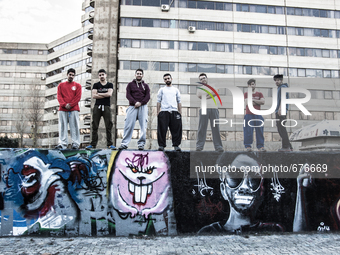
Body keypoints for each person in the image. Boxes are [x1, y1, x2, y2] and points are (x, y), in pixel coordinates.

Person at [198, 154, 284, 234]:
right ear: (223, 189)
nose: (245, 186)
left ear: (260, 191)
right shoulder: (208, 232)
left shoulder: (273, 230)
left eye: (253, 178)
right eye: (236, 176)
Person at [119, 69, 150, 150]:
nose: (139, 75)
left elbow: (148, 96)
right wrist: (134, 102)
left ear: (142, 75)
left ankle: (141, 144)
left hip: (143, 106)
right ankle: (124, 144)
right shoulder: (130, 85)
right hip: (132, 106)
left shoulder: (146, 86)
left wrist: (141, 103)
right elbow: (128, 95)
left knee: (143, 126)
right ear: (135, 75)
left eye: (140, 74)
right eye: (137, 73)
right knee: (128, 125)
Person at [86, 69, 116, 150]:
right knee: (95, 125)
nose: (101, 76)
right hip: (97, 107)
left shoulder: (110, 84)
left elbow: (109, 94)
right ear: (98, 76)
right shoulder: (96, 85)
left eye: (103, 74)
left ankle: (109, 144)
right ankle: (93, 144)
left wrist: (99, 93)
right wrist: (104, 95)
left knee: (108, 125)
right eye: (100, 75)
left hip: (106, 106)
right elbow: (94, 96)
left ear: (106, 75)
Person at [196, 73, 224, 152]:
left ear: (207, 78)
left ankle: (218, 147)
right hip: (204, 108)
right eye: (201, 79)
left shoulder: (213, 85)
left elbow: (216, 93)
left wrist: (206, 96)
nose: (203, 80)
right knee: (202, 128)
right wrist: (211, 94)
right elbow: (200, 96)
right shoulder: (199, 88)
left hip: (214, 109)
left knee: (216, 128)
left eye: (204, 78)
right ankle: (199, 146)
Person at [55, 68, 82, 150]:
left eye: (73, 75)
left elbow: (78, 97)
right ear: (67, 75)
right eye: (70, 74)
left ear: (74, 76)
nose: (71, 76)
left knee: (74, 127)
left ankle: (75, 144)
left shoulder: (78, 86)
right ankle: (62, 144)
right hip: (63, 109)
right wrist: (64, 104)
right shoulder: (61, 85)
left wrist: (71, 105)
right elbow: (59, 96)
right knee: (62, 127)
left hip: (73, 109)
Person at [157, 73, 182, 151]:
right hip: (164, 111)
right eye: (165, 79)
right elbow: (158, 101)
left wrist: (180, 112)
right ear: (164, 81)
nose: (167, 80)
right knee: (162, 129)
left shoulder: (176, 90)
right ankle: (161, 145)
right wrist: (158, 112)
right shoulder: (162, 90)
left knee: (176, 129)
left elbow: (179, 101)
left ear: (171, 79)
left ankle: (176, 145)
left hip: (174, 111)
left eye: (168, 78)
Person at [243, 79, 266, 152]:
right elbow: (247, 103)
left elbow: (263, 102)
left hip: (258, 115)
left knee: (259, 131)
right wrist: (258, 102)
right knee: (248, 131)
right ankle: (248, 146)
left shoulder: (259, 94)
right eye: (250, 84)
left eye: (253, 84)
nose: (252, 85)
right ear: (248, 86)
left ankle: (260, 146)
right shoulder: (246, 94)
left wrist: (253, 101)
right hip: (249, 115)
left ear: (255, 85)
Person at [273, 74, 293, 152]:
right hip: (281, 110)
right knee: (281, 128)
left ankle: (286, 146)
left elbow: (283, 99)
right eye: (275, 80)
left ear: (281, 80)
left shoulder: (283, 88)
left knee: (281, 129)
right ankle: (289, 146)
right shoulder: (280, 88)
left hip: (281, 111)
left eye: (278, 80)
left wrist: (280, 109)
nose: (276, 82)